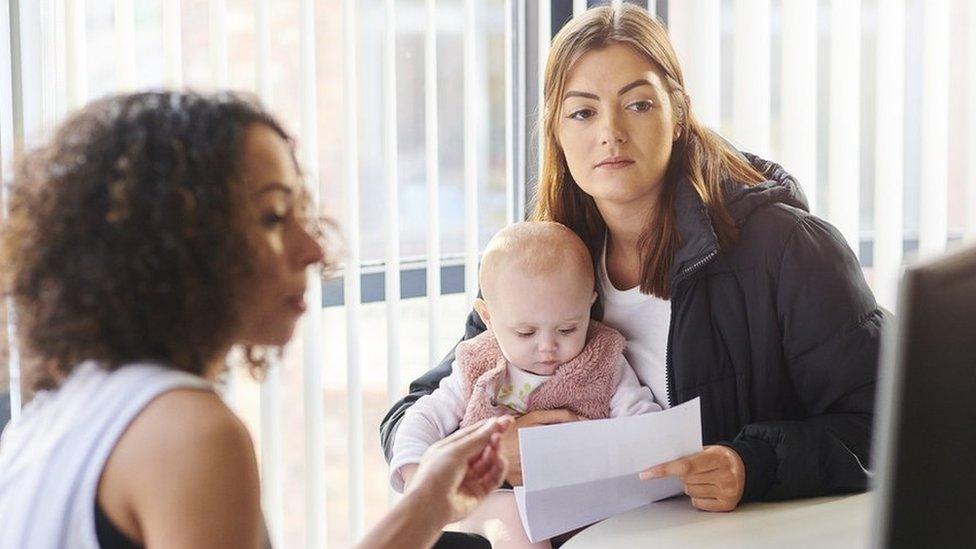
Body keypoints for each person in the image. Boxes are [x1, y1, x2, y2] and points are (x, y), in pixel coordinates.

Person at [382, 3, 885, 514]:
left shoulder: (788, 249)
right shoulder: (543, 261)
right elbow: (416, 413)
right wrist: (496, 447)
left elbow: (888, 425)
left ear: (679, 112)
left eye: (638, 104)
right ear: (556, 131)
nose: (611, 132)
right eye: (582, 112)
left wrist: (752, 464)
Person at [0, 91, 511, 549]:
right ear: (179, 245)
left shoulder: (52, 419)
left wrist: (428, 505)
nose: (313, 249)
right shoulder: (190, 434)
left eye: (300, 215)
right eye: (272, 218)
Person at [389, 221, 661, 548]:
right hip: (500, 496)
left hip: (587, 499)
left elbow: (645, 425)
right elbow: (424, 417)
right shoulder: (478, 363)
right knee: (513, 527)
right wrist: (418, 477)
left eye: (567, 329)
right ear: (488, 318)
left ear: (589, 304)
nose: (547, 347)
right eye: (526, 333)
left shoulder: (604, 359)